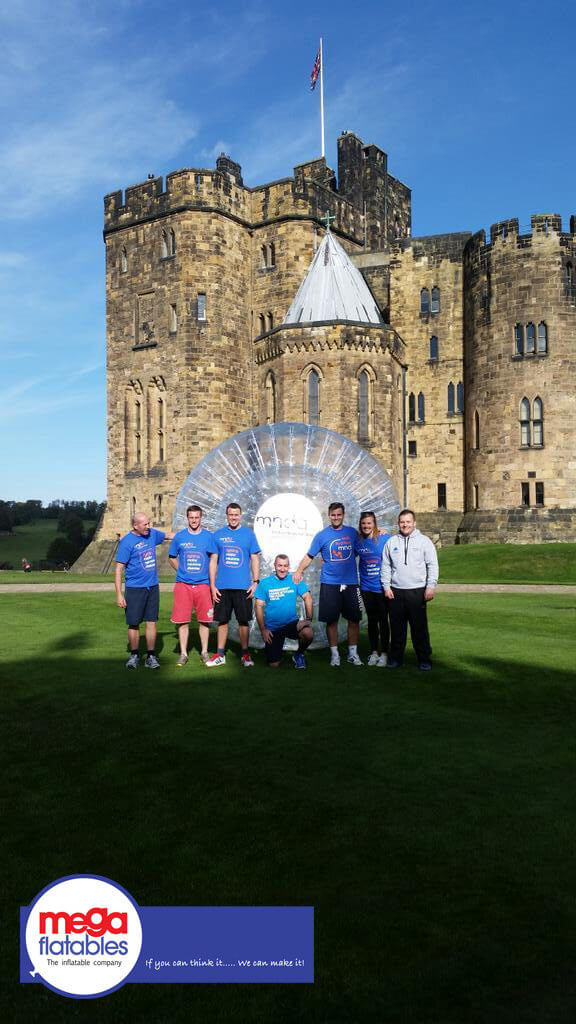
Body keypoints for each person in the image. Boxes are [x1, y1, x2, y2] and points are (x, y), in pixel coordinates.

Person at [294, 501, 362, 667]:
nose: (336, 517)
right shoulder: (322, 536)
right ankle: (335, 655)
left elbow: (363, 548)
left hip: (351, 583)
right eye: (333, 515)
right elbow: (309, 556)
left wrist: (378, 533)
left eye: (339, 514)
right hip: (330, 584)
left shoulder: (352, 533)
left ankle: (353, 654)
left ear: (343, 515)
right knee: (331, 621)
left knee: (354, 619)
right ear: (329, 516)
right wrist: (299, 570)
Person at [381, 509, 439, 671]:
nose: (405, 525)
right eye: (402, 522)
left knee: (419, 628)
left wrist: (431, 586)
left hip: (417, 591)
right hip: (396, 591)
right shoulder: (391, 542)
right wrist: (386, 586)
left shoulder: (424, 541)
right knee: (397, 629)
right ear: (398, 523)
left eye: (408, 522)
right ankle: (395, 659)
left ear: (414, 523)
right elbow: (385, 566)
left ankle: (424, 659)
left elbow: (432, 565)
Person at [115, 513, 173, 669]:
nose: (148, 527)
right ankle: (134, 655)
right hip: (134, 588)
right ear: (135, 526)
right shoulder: (127, 542)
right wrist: (119, 594)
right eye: (145, 524)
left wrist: (191, 535)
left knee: (151, 621)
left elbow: (169, 535)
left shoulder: (152, 534)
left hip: (152, 586)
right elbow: (119, 569)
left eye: (149, 523)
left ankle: (151, 656)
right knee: (134, 623)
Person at [207, 503, 261, 668]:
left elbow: (255, 559)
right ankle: (220, 654)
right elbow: (213, 561)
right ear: (227, 516)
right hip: (222, 587)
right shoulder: (218, 535)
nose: (233, 517)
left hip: (243, 587)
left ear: (240, 515)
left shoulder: (249, 534)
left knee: (243, 621)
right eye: (231, 514)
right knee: (222, 621)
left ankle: (245, 654)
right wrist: (212, 586)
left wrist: (255, 582)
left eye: (236, 514)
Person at [168, 505, 215, 667]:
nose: (194, 520)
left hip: (203, 585)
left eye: (197, 517)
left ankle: (204, 652)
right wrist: (181, 570)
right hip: (183, 585)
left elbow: (214, 559)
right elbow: (172, 557)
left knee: (204, 621)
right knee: (182, 621)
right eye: (191, 517)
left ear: (201, 518)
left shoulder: (209, 537)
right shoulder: (180, 537)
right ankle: (183, 654)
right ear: (187, 518)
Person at [255, 554, 313, 669]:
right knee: (273, 665)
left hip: (291, 624)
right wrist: (263, 630)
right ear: (274, 566)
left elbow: (308, 597)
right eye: (280, 565)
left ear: (289, 566)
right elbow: (258, 606)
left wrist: (309, 618)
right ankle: (276, 651)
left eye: (285, 566)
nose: (282, 569)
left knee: (308, 633)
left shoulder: (295, 579)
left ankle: (299, 654)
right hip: (273, 628)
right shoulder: (265, 583)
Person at [356, 511, 391, 666]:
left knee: (383, 620)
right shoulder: (358, 542)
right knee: (371, 620)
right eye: (364, 523)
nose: (366, 526)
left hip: (381, 587)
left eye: (369, 523)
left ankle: (385, 653)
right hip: (366, 588)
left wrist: (386, 531)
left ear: (374, 524)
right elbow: (347, 555)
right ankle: (374, 652)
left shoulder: (385, 538)